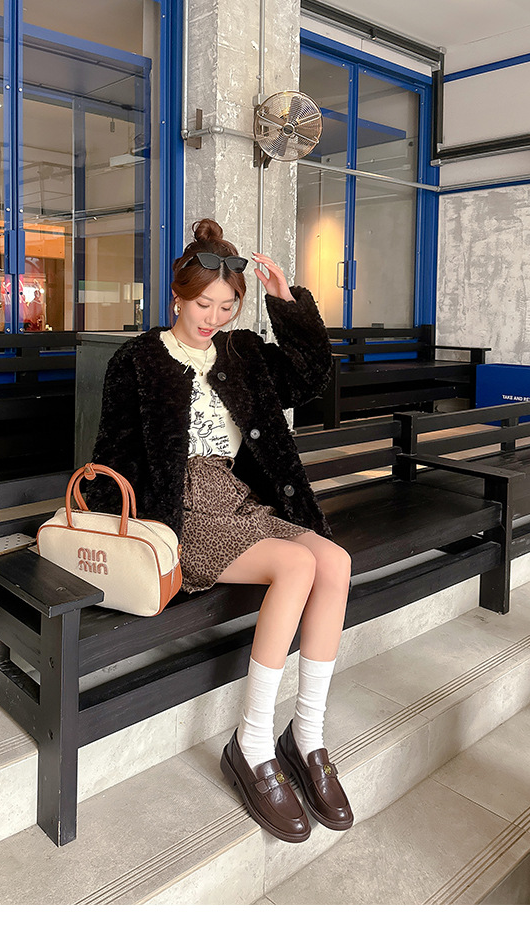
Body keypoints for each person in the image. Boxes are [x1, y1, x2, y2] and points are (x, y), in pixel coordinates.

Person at [86, 218, 353, 844]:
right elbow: (112, 453)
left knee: (334, 561)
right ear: (177, 297)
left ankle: (307, 735)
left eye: (227, 306)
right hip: (178, 511)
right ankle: (253, 741)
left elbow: (311, 377)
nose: (213, 317)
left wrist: (286, 304)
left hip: (238, 499)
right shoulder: (138, 360)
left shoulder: (243, 354)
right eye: (203, 304)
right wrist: (122, 530)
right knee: (297, 565)